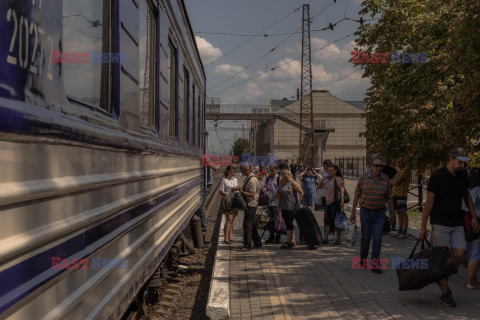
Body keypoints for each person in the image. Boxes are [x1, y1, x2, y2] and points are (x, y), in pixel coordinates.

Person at [419, 148, 480, 306]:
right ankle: (445, 292)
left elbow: (467, 197)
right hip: (439, 222)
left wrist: (474, 217)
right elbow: (429, 202)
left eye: (464, 162)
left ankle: (440, 275)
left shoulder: (462, 176)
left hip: (457, 222)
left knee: (460, 255)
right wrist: (423, 226)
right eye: (459, 162)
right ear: (451, 159)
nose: (462, 165)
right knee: (441, 257)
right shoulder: (437, 176)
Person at [349, 155, 395, 274]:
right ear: (371, 166)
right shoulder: (363, 178)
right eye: (377, 166)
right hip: (365, 212)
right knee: (365, 238)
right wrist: (353, 212)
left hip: (380, 213)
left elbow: (389, 198)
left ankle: (375, 264)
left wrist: (393, 214)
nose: (379, 168)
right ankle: (363, 259)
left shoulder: (385, 179)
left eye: (381, 166)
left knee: (378, 238)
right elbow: (356, 196)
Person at [276, 169, 304, 249]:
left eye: (286, 177)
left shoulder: (293, 183)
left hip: (291, 207)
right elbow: (279, 191)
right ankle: (292, 241)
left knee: (289, 225)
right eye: (284, 177)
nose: (285, 179)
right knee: (289, 224)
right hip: (283, 206)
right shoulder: (281, 182)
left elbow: (301, 192)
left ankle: (288, 242)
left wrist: (299, 202)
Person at [319, 164, 345, 245]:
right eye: (328, 171)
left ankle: (338, 240)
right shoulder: (328, 180)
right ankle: (325, 239)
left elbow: (342, 190)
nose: (329, 172)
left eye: (331, 171)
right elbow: (319, 187)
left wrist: (342, 202)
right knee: (326, 221)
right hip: (327, 203)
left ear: (335, 171)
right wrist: (323, 179)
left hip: (335, 203)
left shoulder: (338, 179)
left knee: (337, 221)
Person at [463, 167, 480, 289]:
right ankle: (471, 281)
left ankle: (472, 277)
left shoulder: (468, 190)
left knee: (470, 250)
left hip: (465, 222)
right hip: (477, 222)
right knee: (476, 252)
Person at [239, 162, 262, 250]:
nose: (241, 171)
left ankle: (247, 245)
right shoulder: (248, 178)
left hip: (251, 205)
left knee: (247, 225)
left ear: (245, 170)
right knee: (251, 224)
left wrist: (242, 192)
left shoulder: (252, 180)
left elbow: (252, 194)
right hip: (250, 204)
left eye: (241, 170)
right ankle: (257, 242)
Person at [198, 156, 220, 245]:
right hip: (203, 184)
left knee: (201, 206)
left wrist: (211, 164)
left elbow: (215, 168)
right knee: (199, 206)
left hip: (207, 185)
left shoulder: (205, 157)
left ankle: (204, 228)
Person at [391, 157, 412, 239]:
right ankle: (399, 231)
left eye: (400, 162)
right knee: (399, 213)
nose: (398, 164)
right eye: (397, 162)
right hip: (396, 194)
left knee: (403, 212)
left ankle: (404, 232)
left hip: (401, 195)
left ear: (404, 162)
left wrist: (393, 181)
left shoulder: (405, 170)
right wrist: (393, 181)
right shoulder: (399, 171)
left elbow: (395, 181)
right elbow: (392, 180)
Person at [219, 165, 239, 244]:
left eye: (233, 172)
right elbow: (221, 191)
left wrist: (237, 189)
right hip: (228, 202)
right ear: (227, 171)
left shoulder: (236, 180)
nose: (233, 173)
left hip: (235, 201)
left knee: (232, 220)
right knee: (229, 219)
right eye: (231, 172)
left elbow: (237, 189)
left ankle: (230, 236)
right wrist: (229, 193)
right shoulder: (224, 180)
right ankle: (226, 238)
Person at [265, 166, 281, 243]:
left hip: (276, 203)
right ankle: (271, 236)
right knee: (270, 220)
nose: (271, 173)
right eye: (270, 171)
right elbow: (265, 188)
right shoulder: (267, 179)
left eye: (273, 171)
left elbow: (280, 190)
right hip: (269, 203)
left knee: (277, 220)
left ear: (276, 171)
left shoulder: (279, 179)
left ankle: (278, 237)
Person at [382, 160, 398, 230]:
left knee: (383, 207)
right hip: (391, 190)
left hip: (382, 190)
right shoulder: (393, 170)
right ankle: (392, 224)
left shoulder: (382, 169)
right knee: (391, 208)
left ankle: (385, 223)